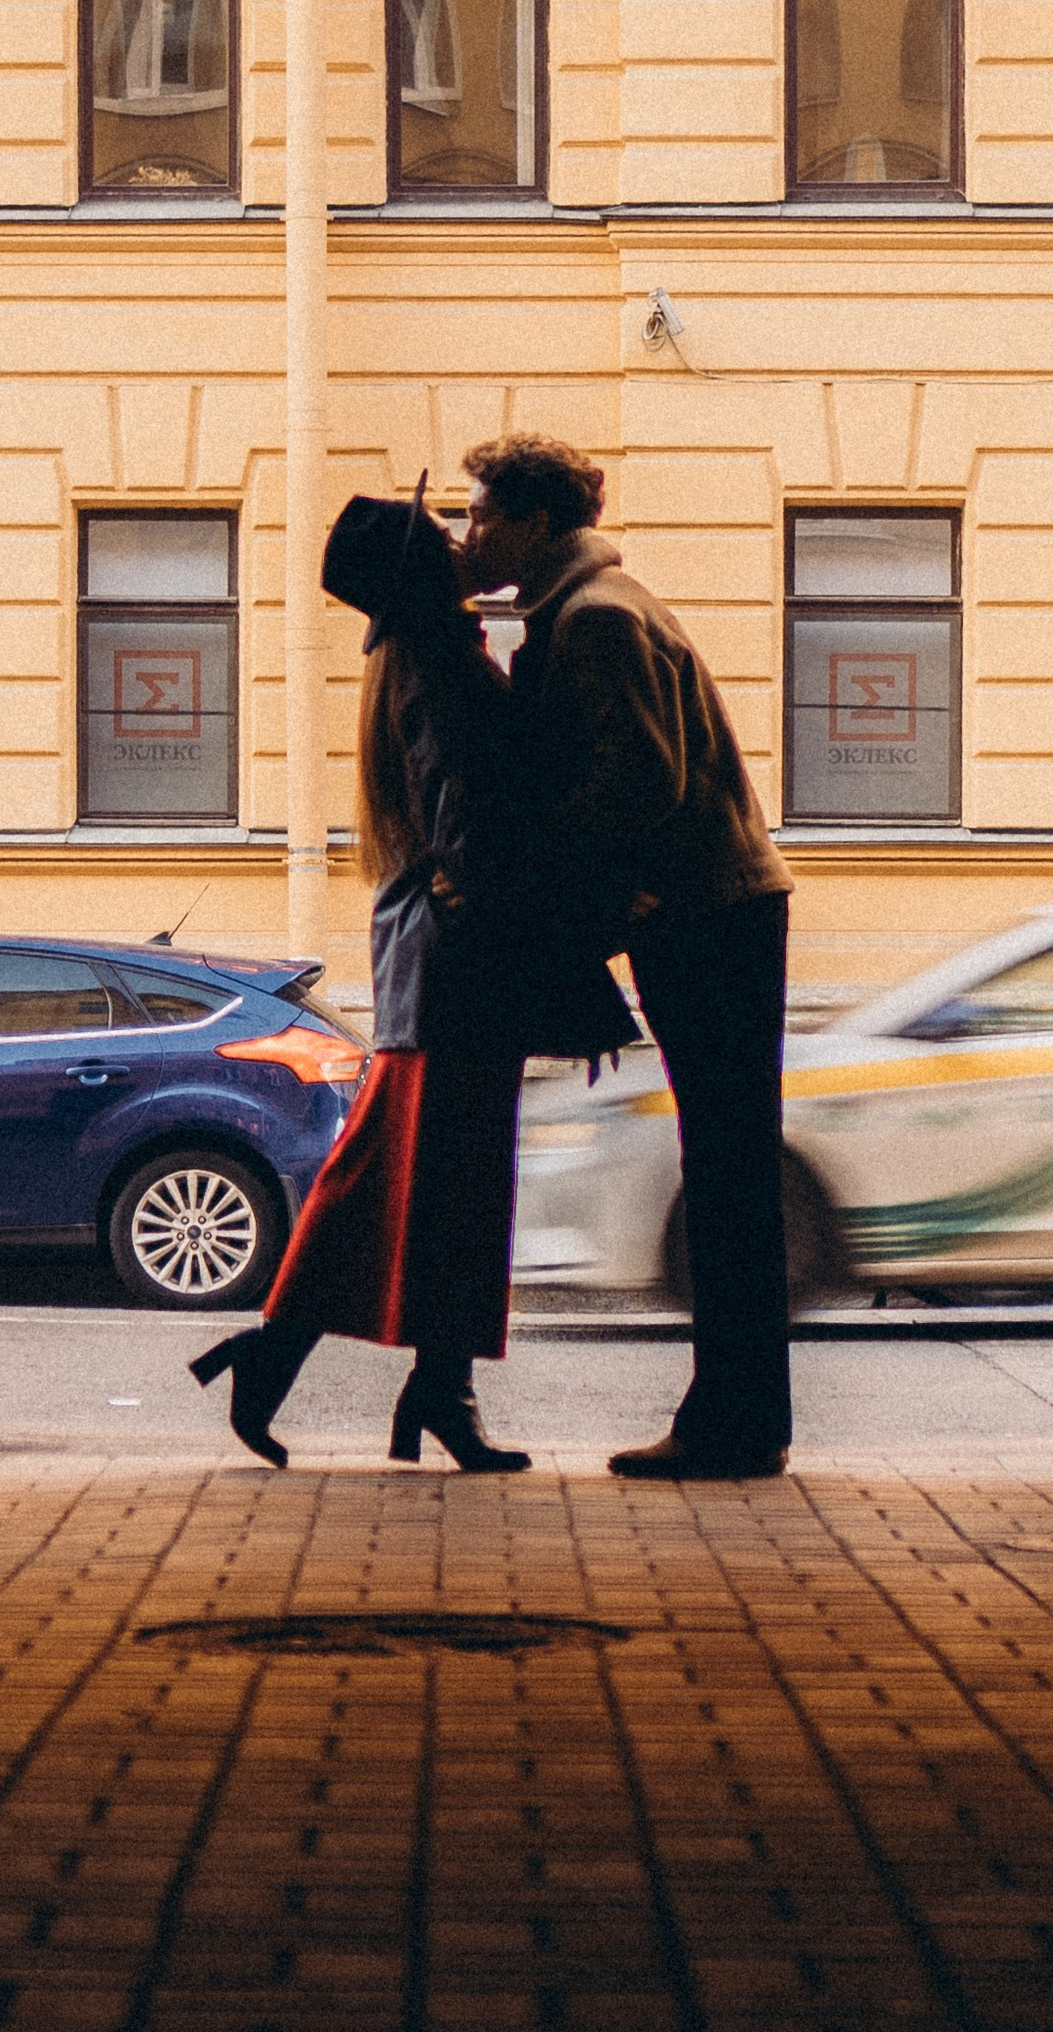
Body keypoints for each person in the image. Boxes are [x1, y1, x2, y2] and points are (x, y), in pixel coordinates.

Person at [190, 485, 633, 1470]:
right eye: (439, 535)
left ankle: (404, 1383)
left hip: (435, 966)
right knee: (439, 1193)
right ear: (419, 570)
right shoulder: (442, 666)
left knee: (415, 1192)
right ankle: (389, 1382)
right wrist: (569, 969)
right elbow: (473, 837)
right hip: (459, 971)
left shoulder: (423, 657)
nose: (456, 539)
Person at [456, 433, 795, 1481]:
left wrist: (587, 907)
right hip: (718, 907)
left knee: (729, 1170)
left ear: (533, 523)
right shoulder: (598, 606)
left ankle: (732, 1424)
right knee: (731, 1166)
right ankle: (740, 1416)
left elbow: (636, 782)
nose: (468, 536)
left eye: (479, 516)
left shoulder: (596, 620)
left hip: (704, 912)